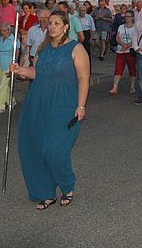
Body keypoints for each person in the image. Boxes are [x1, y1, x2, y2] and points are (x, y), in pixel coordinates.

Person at [10, 11, 89, 210]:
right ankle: (45, 192)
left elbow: (83, 79)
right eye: (50, 23)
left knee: (55, 150)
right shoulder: (43, 49)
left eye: (56, 23)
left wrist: (81, 106)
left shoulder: (76, 49)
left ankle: (67, 185)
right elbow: (37, 73)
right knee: (35, 149)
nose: (52, 26)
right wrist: (20, 70)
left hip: (64, 105)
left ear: (66, 26)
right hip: (38, 103)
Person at [110, 9, 137, 95]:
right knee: (118, 68)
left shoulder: (135, 27)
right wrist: (123, 45)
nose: (127, 18)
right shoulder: (121, 27)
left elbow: (136, 39)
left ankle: (132, 86)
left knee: (132, 69)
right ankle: (115, 87)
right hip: (120, 50)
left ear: (132, 17)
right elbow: (117, 37)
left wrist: (127, 46)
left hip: (130, 51)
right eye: (126, 16)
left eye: (128, 16)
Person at [0, 23, 16, 113]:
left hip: (8, 64)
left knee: (2, 86)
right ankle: (12, 100)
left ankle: (0, 105)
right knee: (4, 85)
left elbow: (16, 53)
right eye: (1, 31)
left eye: (4, 30)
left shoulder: (14, 40)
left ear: (9, 30)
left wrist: (15, 65)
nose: (2, 32)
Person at [18, 2, 38, 67]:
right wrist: (21, 30)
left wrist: (26, 32)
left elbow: (35, 28)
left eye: (26, 8)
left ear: (29, 9)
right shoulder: (22, 18)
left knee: (27, 53)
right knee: (23, 53)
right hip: (22, 37)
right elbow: (19, 27)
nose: (25, 10)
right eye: (24, 8)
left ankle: (26, 67)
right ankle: (21, 66)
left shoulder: (34, 18)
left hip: (30, 37)